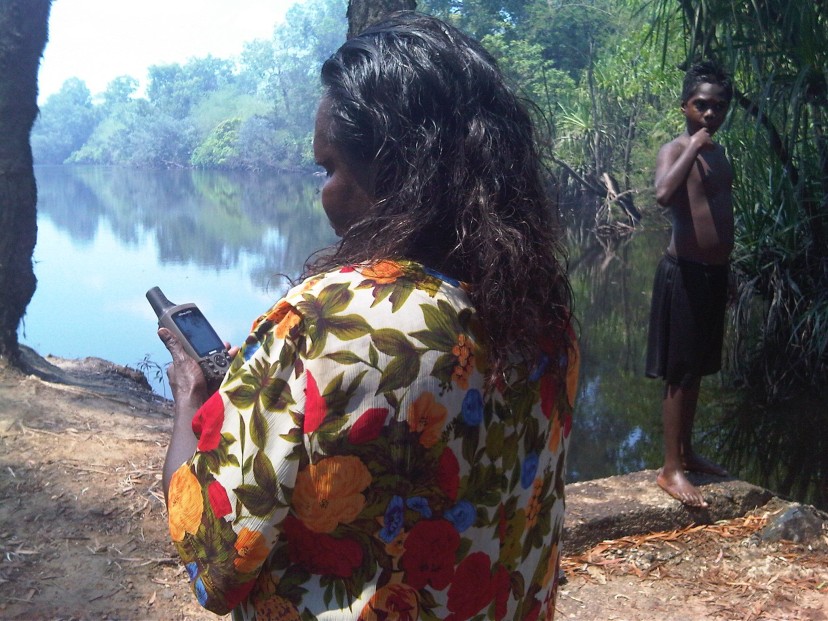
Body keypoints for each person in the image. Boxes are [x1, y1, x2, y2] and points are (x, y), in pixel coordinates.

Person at [159, 11, 578, 620]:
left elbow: (215, 563)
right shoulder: (546, 314)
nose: (323, 192)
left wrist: (189, 399)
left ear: (394, 169)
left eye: (328, 167)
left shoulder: (321, 323)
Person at [645, 60, 734, 508]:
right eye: (701, 106)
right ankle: (670, 469)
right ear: (685, 107)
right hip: (681, 274)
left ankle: (687, 452)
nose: (710, 114)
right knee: (678, 372)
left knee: (698, 366)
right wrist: (693, 146)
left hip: (712, 275)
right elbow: (662, 195)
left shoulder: (721, 156)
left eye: (718, 107)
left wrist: (727, 269)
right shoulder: (676, 148)